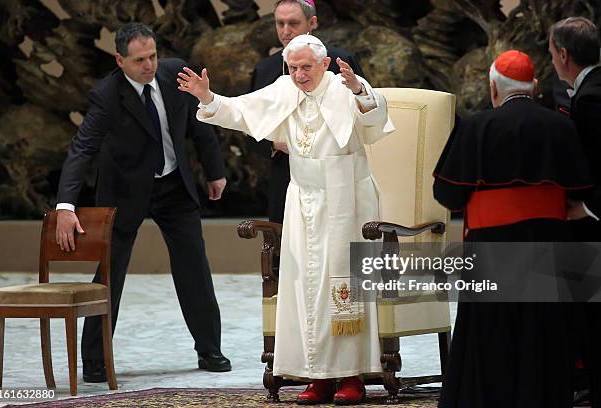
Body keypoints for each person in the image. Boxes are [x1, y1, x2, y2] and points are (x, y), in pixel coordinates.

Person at [177, 34, 393, 405]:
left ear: (323, 64)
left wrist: (359, 88)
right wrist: (207, 98)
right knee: (303, 287)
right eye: (293, 67)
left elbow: (376, 116)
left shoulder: (346, 88)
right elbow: (242, 110)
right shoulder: (283, 89)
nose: (298, 74)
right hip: (303, 200)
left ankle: (351, 375)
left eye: (305, 67)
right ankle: (316, 375)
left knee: (342, 284)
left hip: (346, 200)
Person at [55, 22, 231, 382]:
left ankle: (209, 349)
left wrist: (215, 172)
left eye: (152, 55)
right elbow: (82, 149)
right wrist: (65, 207)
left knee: (194, 265)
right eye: (139, 60)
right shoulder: (106, 95)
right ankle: (94, 360)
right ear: (120, 60)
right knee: (109, 274)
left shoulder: (175, 73)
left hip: (173, 186)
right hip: (124, 192)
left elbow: (200, 124)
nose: (149, 65)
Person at [433, 50, 592, 408]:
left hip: (492, 246)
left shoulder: (476, 126)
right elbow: (582, 189)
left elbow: (447, 192)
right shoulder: (561, 125)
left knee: (492, 335)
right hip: (550, 246)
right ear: (534, 86)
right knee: (543, 332)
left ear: (493, 87)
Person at [250, 0, 364, 224]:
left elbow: (364, 112)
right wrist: (274, 144)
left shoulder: (340, 63)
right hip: (287, 175)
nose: (285, 31)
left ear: (312, 23)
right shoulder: (265, 70)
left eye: (293, 23)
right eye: (279, 23)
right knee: (286, 250)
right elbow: (250, 126)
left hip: (336, 174)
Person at [549, 16, 601, 407]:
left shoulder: (590, 100)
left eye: (552, 53)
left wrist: (587, 207)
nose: (552, 60)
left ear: (564, 55)